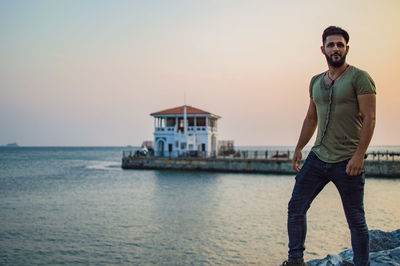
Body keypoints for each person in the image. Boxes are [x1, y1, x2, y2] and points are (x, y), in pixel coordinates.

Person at [281, 26, 376, 266]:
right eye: (331, 45)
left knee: (355, 219)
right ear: (323, 49)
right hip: (318, 157)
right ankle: (295, 260)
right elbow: (311, 117)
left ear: (347, 49)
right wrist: (299, 147)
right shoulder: (315, 81)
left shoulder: (359, 78)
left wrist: (359, 156)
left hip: (347, 160)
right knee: (296, 207)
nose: (335, 49)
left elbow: (370, 118)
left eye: (340, 45)